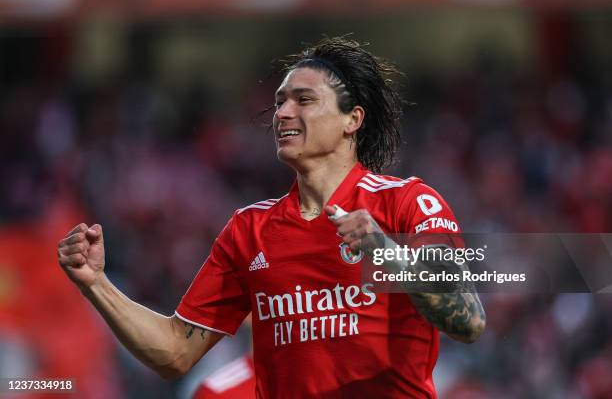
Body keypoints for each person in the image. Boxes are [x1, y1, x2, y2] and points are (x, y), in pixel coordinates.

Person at [57, 36, 485, 398]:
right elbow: (174, 351)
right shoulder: (249, 229)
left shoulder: (408, 203)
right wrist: (97, 285)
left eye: (304, 100)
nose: (282, 113)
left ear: (352, 120)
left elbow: (467, 319)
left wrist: (386, 253)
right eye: (280, 102)